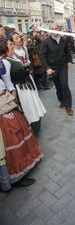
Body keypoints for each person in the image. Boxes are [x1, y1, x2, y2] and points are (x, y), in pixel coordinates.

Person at [0, 57, 43, 190]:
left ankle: (16, 176)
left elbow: (6, 78)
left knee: (16, 134)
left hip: (4, 100)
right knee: (9, 140)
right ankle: (11, 179)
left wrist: (11, 91)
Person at [0, 40, 46, 133]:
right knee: (28, 107)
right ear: (5, 49)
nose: (12, 45)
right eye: (9, 45)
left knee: (33, 105)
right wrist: (13, 91)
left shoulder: (13, 57)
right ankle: (32, 128)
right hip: (20, 88)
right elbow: (7, 79)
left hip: (26, 85)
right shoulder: (5, 61)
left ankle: (36, 126)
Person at [40, 22, 73, 115]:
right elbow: (42, 56)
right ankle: (62, 100)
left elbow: (67, 51)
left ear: (59, 29)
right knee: (58, 87)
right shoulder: (45, 42)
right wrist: (47, 68)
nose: (54, 30)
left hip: (63, 67)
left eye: (56, 28)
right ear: (50, 30)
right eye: (52, 29)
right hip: (53, 69)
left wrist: (69, 61)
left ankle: (68, 106)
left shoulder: (63, 39)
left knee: (65, 86)